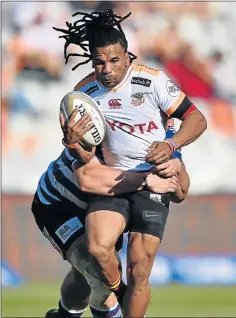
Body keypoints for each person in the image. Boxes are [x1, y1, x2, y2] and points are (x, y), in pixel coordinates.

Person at [54, 8, 206, 317]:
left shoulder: (152, 82)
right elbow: (83, 157)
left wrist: (170, 144)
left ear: (127, 57)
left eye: (113, 60)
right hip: (114, 181)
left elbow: (196, 119)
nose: (106, 68)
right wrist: (72, 141)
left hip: (153, 180)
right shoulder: (82, 96)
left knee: (138, 268)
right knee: (98, 249)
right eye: (99, 62)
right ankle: (120, 300)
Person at [31, 110, 180, 317]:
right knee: (99, 275)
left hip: (99, 205)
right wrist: (146, 180)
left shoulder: (160, 141)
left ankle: (62, 315)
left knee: (85, 276)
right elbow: (89, 179)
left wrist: (176, 170)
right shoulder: (104, 131)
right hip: (57, 204)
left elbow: (180, 190)